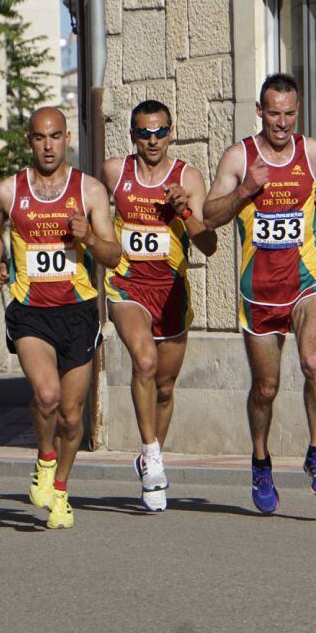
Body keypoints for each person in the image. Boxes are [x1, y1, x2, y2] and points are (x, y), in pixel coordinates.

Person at [202, 73, 316, 514]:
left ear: (296, 111)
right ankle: (261, 460)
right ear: (259, 112)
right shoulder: (239, 158)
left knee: (314, 361)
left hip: (307, 279)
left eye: (289, 113)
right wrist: (245, 191)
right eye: (273, 113)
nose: (281, 123)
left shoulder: (311, 150)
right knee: (266, 386)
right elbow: (209, 214)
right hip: (258, 289)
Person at [0, 106, 120, 529]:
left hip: (78, 311)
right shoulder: (8, 191)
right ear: (30, 141)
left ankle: (60, 490)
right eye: (40, 137)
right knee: (46, 395)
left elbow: (113, 255)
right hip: (30, 311)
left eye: (56, 136)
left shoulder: (90, 191)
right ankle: (44, 458)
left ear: (66, 140)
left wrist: (89, 237)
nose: (48, 145)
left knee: (73, 415)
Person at [102, 100, 217, 512]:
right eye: (143, 133)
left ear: (171, 133)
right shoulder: (116, 172)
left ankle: (151, 455)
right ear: (133, 136)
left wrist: (184, 210)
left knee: (165, 388)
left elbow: (209, 245)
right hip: (127, 287)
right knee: (144, 363)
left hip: (170, 290)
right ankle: (152, 458)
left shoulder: (187, 176)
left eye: (159, 132)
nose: (152, 140)